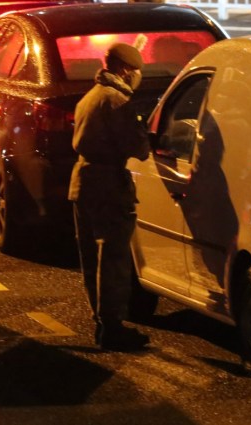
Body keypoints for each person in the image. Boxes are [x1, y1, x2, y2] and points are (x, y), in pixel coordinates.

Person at [68, 42, 151, 352]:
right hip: (109, 185)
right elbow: (139, 149)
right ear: (126, 70)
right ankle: (113, 326)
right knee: (113, 258)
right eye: (136, 72)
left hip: (82, 182)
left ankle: (101, 323)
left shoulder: (89, 98)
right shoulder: (117, 102)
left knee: (90, 258)